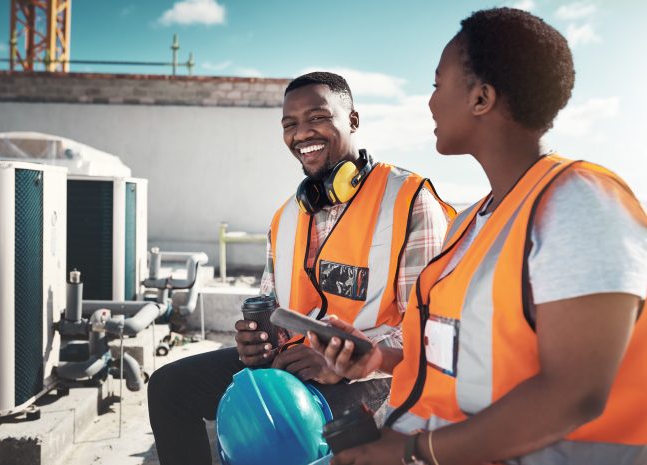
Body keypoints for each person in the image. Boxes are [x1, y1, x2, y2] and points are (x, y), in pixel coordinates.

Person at [310, 8, 647, 465]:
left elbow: (574, 394)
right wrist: (378, 359)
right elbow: (464, 353)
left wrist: (413, 452)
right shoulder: (472, 221)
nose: (429, 102)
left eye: (437, 84)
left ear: (481, 98)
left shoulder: (579, 202)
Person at [147, 71, 454, 465]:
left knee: (278, 429)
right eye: (290, 125)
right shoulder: (287, 215)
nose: (301, 133)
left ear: (353, 121)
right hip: (291, 365)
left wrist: (345, 365)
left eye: (317, 118)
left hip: (374, 378)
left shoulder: (410, 201)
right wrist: (259, 341)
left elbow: (430, 334)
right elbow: (274, 302)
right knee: (169, 387)